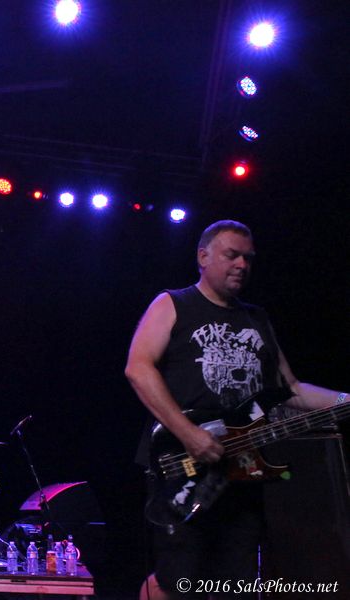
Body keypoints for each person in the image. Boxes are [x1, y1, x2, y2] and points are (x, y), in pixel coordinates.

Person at [125, 220, 348, 599]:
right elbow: (138, 368)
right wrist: (189, 434)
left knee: (237, 584)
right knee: (179, 582)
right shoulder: (173, 303)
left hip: (243, 475)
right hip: (183, 466)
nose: (242, 265)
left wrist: (345, 401)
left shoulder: (256, 319)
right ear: (203, 256)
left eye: (248, 258)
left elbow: (291, 389)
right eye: (232, 255)